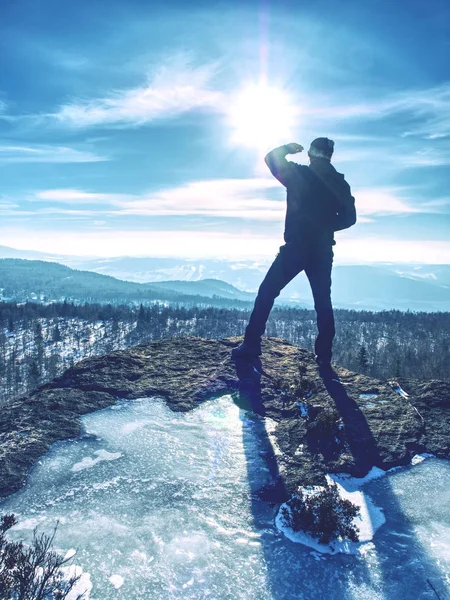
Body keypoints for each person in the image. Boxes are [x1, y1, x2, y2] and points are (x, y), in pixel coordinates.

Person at [232, 137, 356, 367]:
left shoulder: (300, 175)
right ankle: (324, 356)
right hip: (322, 250)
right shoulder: (340, 183)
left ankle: (251, 344)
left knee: (267, 291)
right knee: (322, 301)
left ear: (311, 153)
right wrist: (327, 226)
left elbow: (271, 159)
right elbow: (350, 219)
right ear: (329, 155)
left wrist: (287, 149)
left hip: (296, 246)